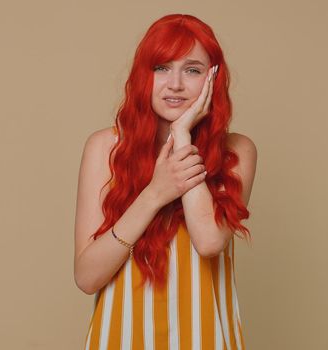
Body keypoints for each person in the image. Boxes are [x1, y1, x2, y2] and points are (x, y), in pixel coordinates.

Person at [74, 13, 257, 349]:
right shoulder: (104, 148)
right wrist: (156, 193)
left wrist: (181, 135)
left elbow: (208, 241)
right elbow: (87, 277)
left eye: (192, 70)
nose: (175, 84)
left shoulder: (237, 151)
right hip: (122, 339)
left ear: (212, 80)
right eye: (161, 67)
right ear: (144, 76)